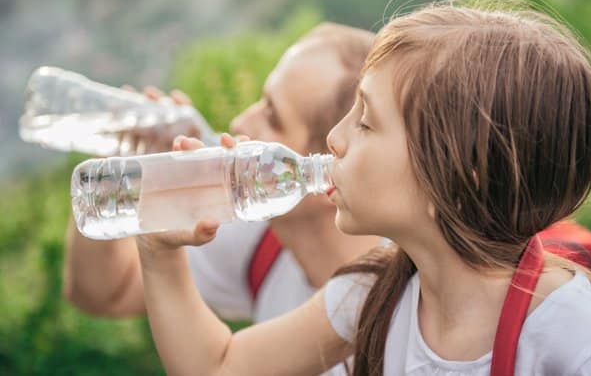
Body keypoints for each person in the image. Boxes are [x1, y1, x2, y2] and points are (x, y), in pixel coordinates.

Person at [136, 1, 591, 375]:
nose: (334, 139)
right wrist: (159, 250)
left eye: (366, 122)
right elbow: (219, 367)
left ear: (458, 172)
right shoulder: (376, 291)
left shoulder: (580, 347)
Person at [63, 22, 380, 327]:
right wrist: (121, 158)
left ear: (331, 175)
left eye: (271, 116)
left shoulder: (395, 308)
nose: (241, 122)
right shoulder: (261, 241)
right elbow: (103, 294)